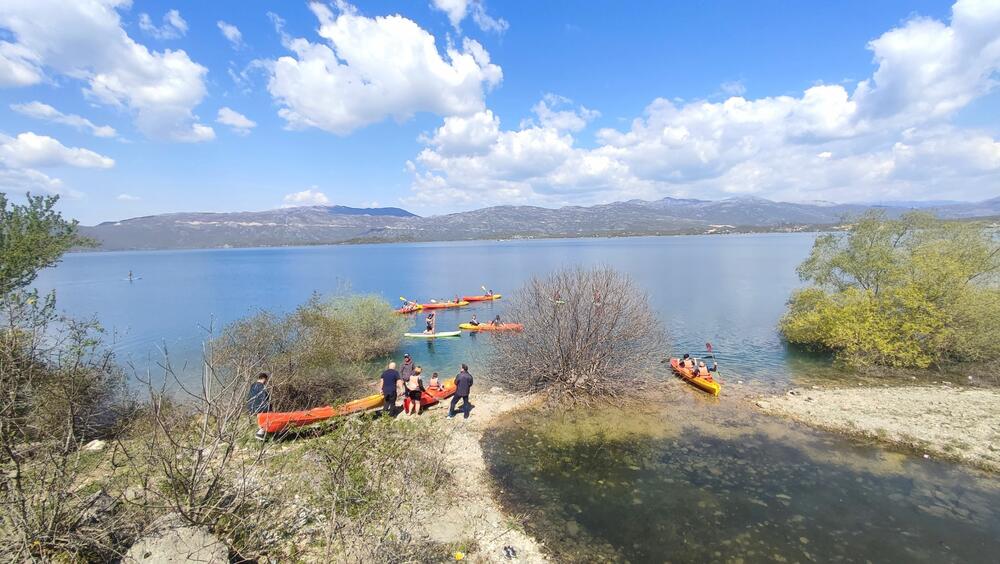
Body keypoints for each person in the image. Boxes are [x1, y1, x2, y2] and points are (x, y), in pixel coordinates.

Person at [247, 373, 271, 440]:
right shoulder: (261, 386)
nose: (266, 382)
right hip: (259, 406)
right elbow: (264, 397)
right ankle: (260, 433)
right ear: (264, 379)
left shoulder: (253, 386)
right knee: (268, 417)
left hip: (251, 406)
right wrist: (268, 406)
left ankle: (261, 433)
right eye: (266, 380)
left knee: (261, 419)